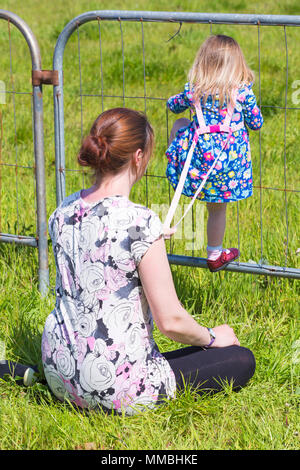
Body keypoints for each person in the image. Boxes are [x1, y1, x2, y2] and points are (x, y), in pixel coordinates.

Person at [41, 107, 255, 415]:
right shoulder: (140, 223)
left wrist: (150, 239)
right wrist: (211, 337)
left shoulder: (63, 211)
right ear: (138, 157)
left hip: (58, 373)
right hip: (115, 389)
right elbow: (171, 321)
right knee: (240, 358)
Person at [166, 34, 264, 272]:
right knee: (218, 209)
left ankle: (175, 167)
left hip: (199, 164)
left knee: (180, 123)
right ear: (237, 64)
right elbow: (257, 123)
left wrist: (189, 97)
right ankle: (215, 253)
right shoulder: (242, 94)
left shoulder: (194, 92)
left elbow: (172, 106)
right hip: (229, 170)